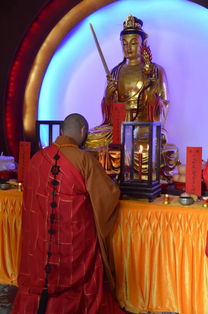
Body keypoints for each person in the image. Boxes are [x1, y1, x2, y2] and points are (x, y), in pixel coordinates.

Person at [12, 113, 124, 314]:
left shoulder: (37, 158)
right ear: (83, 131)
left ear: (61, 131)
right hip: (72, 242)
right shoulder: (84, 159)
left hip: (39, 243)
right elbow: (108, 195)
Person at [85, 15, 179, 178]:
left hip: (144, 124)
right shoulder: (115, 71)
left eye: (134, 42)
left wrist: (151, 97)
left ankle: (139, 176)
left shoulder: (156, 71)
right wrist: (108, 97)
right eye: (125, 43)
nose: (129, 47)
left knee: (147, 140)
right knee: (91, 138)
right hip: (118, 125)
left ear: (143, 44)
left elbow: (165, 101)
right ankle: (108, 176)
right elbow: (108, 107)